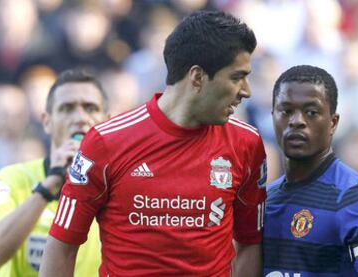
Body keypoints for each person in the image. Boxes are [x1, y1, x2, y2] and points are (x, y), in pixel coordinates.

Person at [39, 11, 267, 277]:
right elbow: (63, 244)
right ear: (197, 77)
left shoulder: (247, 143)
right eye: (236, 77)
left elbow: (250, 243)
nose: (246, 91)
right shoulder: (106, 141)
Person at [263, 65, 358, 277]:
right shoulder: (265, 201)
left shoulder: (356, 202)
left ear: (333, 123)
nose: (296, 121)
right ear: (273, 116)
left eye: (311, 112)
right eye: (286, 111)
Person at [0, 69, 109, 276]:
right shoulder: (13, 179)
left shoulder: (121, 186)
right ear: (47, 122)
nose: (80, 118)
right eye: (67, 108)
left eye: (91, 108)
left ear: (108, 121)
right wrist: (48, 187)